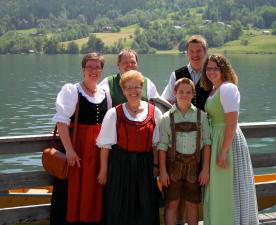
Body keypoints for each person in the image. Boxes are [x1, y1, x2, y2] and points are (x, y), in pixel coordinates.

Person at [97, 70, 162, 225]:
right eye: (129, 88)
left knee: (145, 207)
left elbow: (156, 145)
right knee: (119, 206)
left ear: (142, 88)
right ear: (124, 91)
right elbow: (105, 146)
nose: (134, 91)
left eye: (137, 87)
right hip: (120, 166)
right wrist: (104, 171)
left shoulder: (154, 112)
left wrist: (156, 166)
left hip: (145, 167)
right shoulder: (114, 113)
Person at [51, 52, 109, 225]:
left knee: (94, 193)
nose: (94, 70)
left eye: (97, 67)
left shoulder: (106, 93)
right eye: (90, 67)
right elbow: (62, 123)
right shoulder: (72, 91)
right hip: (78, 151)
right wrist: (69, 150)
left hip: (98, 153)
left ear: (101, 71)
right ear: (83, 69)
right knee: (73, 192)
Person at [201, 54, 259, 225]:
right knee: (218, 188)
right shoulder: (214, 89)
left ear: (223, 69)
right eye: (208, 68)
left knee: (227, 188)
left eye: (215, 68)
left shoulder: (228, 88)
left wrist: (224, 151)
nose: (211, 72)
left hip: (227, 141)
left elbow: (232, 123)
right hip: (216, 138)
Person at [158, 78, 211, 225]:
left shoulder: (202, 116)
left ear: (193, 94)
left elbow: (207, 143)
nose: (184, 95)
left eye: (188, 92)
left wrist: (205, 169)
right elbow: (162, 146)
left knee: (192, 204)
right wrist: (162, 171)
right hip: (172, 167)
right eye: (181, 92)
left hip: (195, 167)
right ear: (174, 93)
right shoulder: (166, 118)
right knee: (172, 203)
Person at [161, 35, 211, 111]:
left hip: (208, 121)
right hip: (182, 121)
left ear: (205, 52)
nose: (195, 55)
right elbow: (167, 101)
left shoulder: (212, 74)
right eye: (191, 51)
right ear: (187, 53)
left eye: (198, 51)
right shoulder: (176, 75)